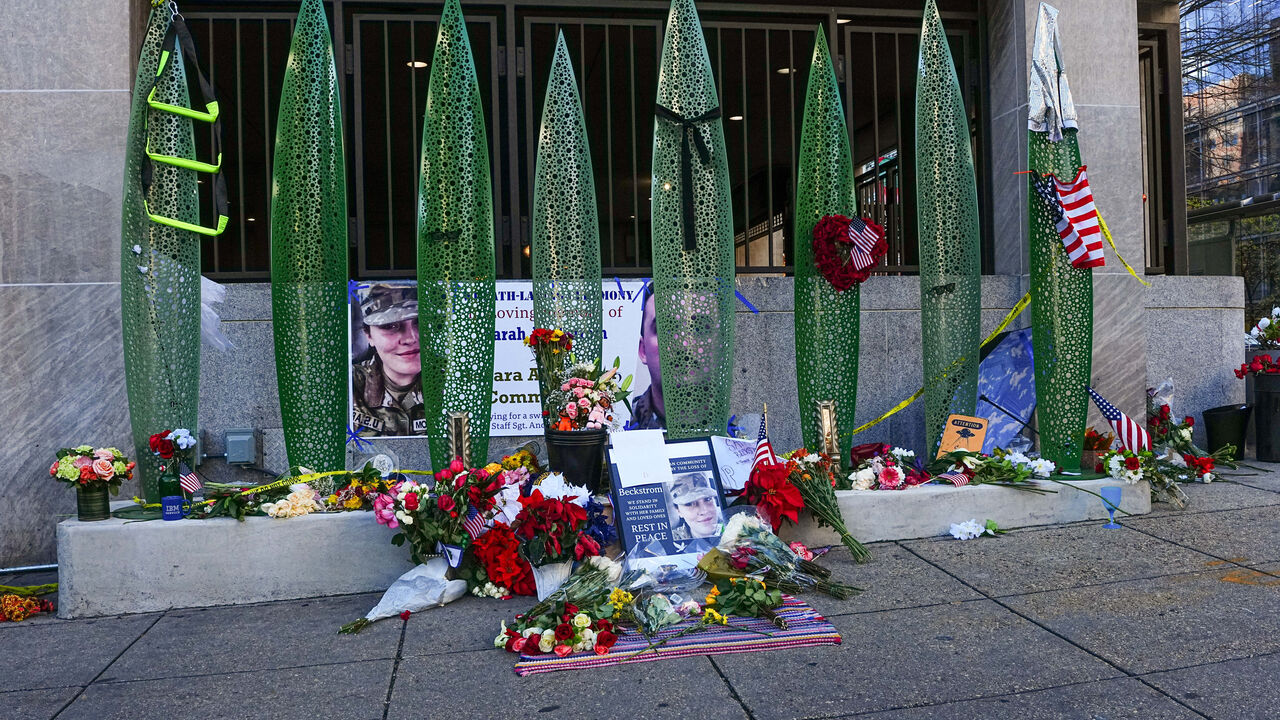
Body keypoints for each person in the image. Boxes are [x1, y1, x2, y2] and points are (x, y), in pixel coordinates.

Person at [351, 284, 426, 436]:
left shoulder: (455, 383)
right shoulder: (349, 386)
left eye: (419, 321)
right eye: (390, 326)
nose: (410, 338)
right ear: (368, 335)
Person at [626, 283, 666, 430]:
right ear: (643, 350)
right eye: (665, 329)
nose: (684, 343)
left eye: (700, 328)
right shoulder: (623, 426)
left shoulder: (734, 437)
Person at [668, 473, 722, 540]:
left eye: (708, 499)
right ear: (678, 511)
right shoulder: (670, 541)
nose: (704, 511)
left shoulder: (734, 527)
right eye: (689, 504)